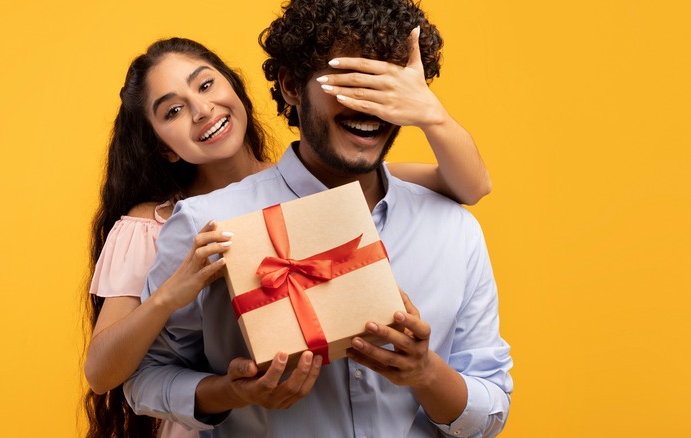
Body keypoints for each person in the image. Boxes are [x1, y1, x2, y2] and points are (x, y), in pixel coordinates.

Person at [86, 20, 493, 438]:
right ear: (163, 147)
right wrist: (174, 298)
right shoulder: (166, 223)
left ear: (234, 87)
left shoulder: (338, 186)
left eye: (206, 86)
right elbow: (109, 374)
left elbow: (472, 185)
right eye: (173, 111)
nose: (202, 110)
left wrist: (430, 112)